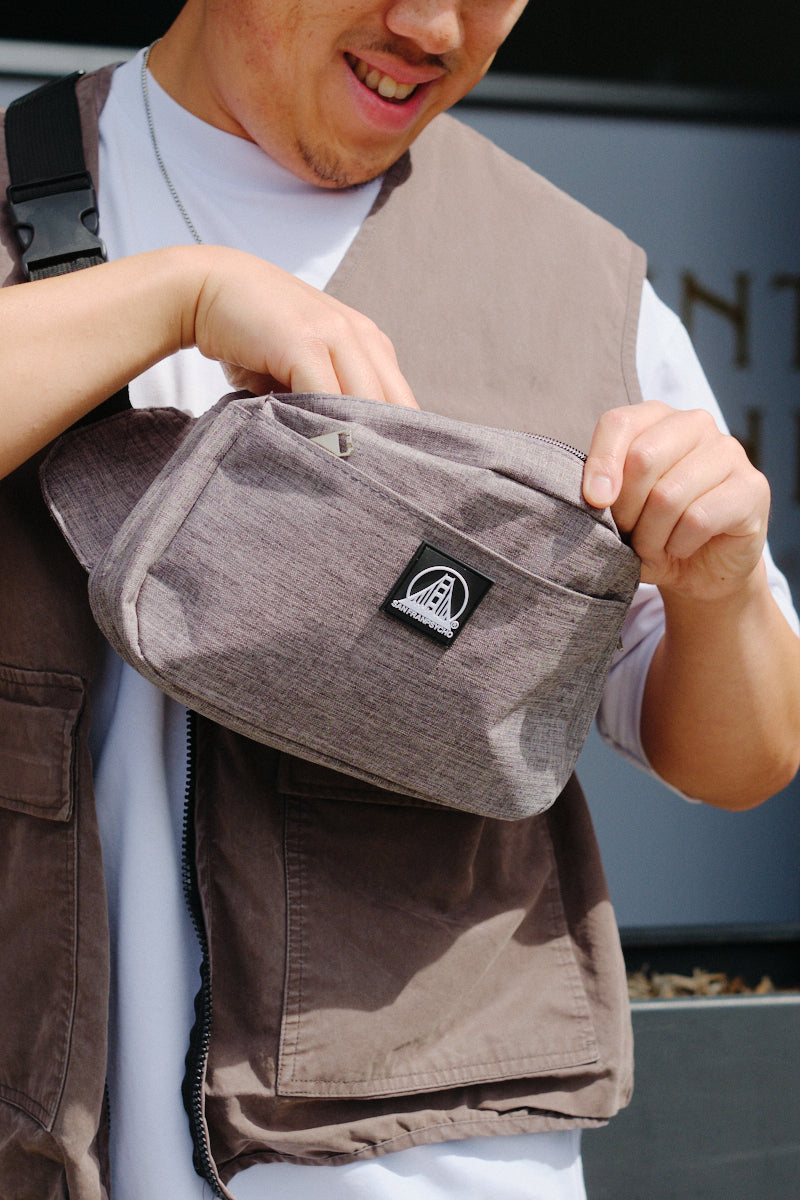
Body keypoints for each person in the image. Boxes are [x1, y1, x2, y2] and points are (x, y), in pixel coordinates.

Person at [1, 2, 798, 1198]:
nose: (432, 23)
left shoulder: (577, 281)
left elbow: (743, 760)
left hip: (427, 1160)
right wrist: (178, 294)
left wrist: (720, 593)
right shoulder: (22, 181)